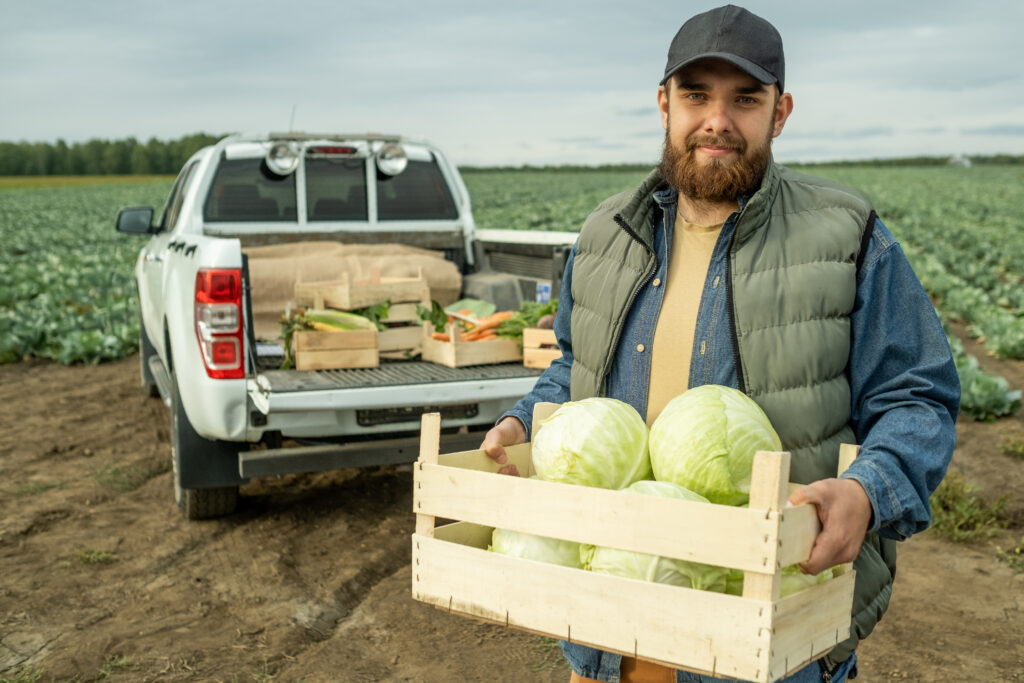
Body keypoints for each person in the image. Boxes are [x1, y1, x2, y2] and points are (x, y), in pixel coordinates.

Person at [480, 4, 960, 683]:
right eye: (696, 94)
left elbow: (918, 396)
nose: (717, 120)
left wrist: (868, 489)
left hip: (768, 640)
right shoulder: (605, 234)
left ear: (781, 112)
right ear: (663, 103)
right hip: (605, 628)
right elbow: (573, 369)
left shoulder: (847, 237)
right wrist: (523, 420)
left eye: (745, 99)